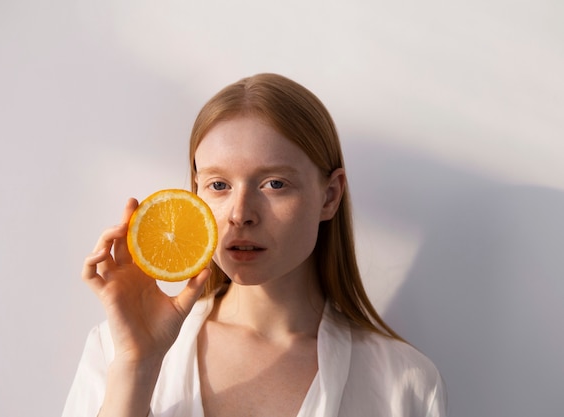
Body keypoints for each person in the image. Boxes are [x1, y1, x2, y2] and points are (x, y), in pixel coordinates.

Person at [63, 73, 447, 417]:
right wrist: (138, 364)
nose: (240, 214)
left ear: (329, 196)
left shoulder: (404, 384)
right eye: (219, 185)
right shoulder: (117, 351)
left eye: (274, 184)